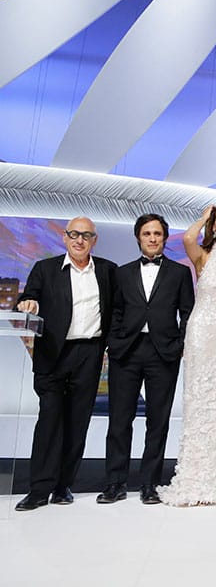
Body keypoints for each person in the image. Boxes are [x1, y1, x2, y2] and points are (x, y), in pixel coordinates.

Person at [14, 217, 117, 511]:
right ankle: (38, 490)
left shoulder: (108, 271)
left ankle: (63, 486)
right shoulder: (45, 269)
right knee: (49, 421)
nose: (79, 240)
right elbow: (27, 296)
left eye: (86, 235)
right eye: (74, 234)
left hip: (90, 354)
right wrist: (28, 302)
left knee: (77, 423)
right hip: (53, 355)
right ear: (64, 237)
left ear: (94, 240)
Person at [158, 202, 216, 506]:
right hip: (200, 336)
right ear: (214, 224)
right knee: (199, 408)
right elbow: (187, 238)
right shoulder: (203, 256)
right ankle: (193, 479)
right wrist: (203, 217)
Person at [99, 213, 194, 505]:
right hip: (126, 351)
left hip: (163, 352)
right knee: (119, 420)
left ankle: (149, 484)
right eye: (147, 234)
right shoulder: (122, 272)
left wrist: (179, 345)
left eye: (157, 234)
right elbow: (114, 311)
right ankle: (115, 483)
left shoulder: (179, 272)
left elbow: (187, 312)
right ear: (138, 237)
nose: (152, 239)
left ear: (165, 238)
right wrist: (114, 343)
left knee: (158, 420)